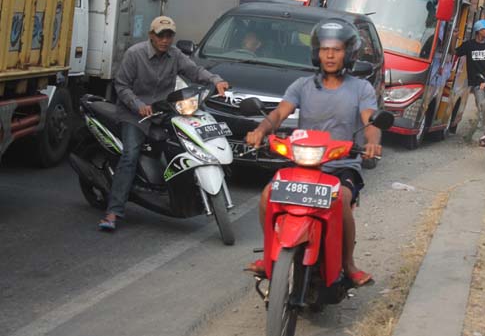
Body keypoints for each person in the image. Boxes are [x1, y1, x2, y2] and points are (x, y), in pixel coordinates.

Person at [245, 18, 381, 287]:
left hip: (341, 164)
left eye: (337, 49)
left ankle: (348, 263)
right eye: (324, 49)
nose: (330, 55)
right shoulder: (302, 86)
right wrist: (261, 130)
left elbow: (370, 122)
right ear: (316, 53)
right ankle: (269, 254)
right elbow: (279, 113)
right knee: (266, 196)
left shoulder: (361, 88)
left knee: (341, 200)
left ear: (349, 53)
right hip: (303, 164)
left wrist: (373, 142)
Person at [98, 16, 229, 231]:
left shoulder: (175, 55)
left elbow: (194, 71)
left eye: (169, 35)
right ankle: (113, 212)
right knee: (130, 155)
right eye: (161, 35)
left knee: (186, 139)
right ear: (151, 35)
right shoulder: (135, 54)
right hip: (134, 114)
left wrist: (216, 80)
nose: (165, 40)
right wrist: (138, 104)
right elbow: (121, 85)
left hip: (162, 111)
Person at [455, 19, 485, 138]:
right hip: (477, 82)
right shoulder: (469, 45)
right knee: (481, 105)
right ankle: (483, 132)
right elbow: (455, 52)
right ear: (478, 31)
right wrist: (454, 38)